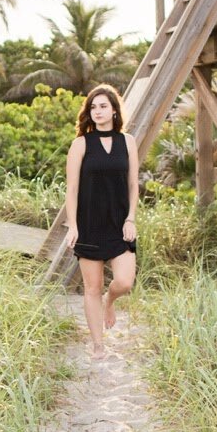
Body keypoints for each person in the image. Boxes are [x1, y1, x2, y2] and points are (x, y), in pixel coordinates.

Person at [62, 83, 138, 359]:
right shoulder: (81, 144)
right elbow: (71, 189)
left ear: (115, 111)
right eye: (93, 107)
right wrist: (73, 225)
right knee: (91, 288)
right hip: (90, 224)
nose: (98, 111)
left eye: (103, 106)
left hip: (120, 224)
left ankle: (111, 300)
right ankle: (98, 345)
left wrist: (131, 218)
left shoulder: (127, 141)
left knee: (125, 282)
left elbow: (133, 185)